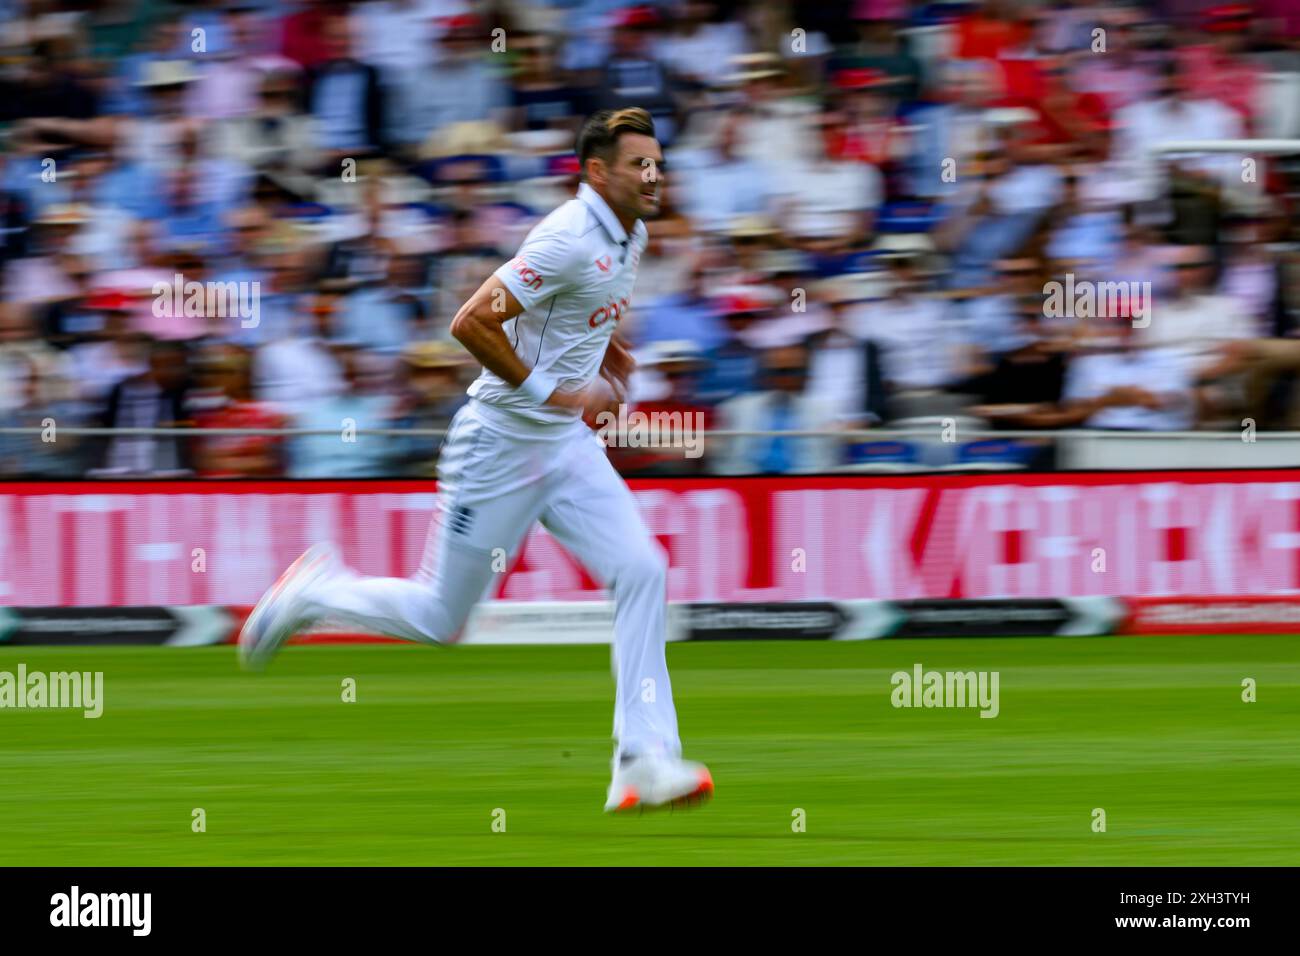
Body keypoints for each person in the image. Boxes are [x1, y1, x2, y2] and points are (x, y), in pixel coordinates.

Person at [239, 109, 713, 814]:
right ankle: (313, 593)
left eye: (658, 162)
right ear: (597, 172)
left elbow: (586, 308)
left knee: (642, 569)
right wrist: (557, 391)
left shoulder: (632, 233)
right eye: (639, 163)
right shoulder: (565, 237)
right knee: (440, 619)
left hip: (565, 446)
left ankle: (643, 760)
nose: (654, 175)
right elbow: (470, 323)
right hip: (498, 444)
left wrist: (608, 352)